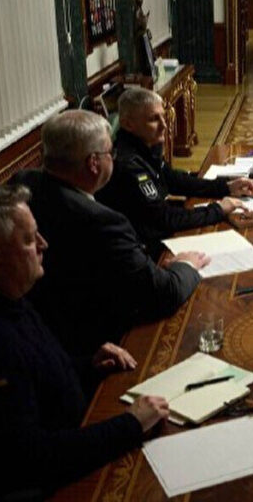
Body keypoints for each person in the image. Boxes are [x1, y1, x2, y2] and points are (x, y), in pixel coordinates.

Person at [0, 181, 170, 500]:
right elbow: (32, 459)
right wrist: (131, 424)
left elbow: (33, 375)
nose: (44, 244)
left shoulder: (2, 296)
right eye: (29, 239)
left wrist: (88, 366)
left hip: (72, 438)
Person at [11, 110, 208, 357]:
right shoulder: (103, 223)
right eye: (110, 152)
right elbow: (163, 294)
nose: (114, 158)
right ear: (94, 163)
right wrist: (187, 265)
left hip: (52, 332)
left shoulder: (23, 182)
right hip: (104, 340)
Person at [97, 87, 253, 257]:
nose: (164, 125)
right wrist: (218, 209)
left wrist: (226, 187)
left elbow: (174, 180)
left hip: (158, 231)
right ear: (128, 124)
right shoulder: (128, 165)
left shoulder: (145, 145)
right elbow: (164, 219)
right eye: (154, 119)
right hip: (146, 250)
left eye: (163, 116)